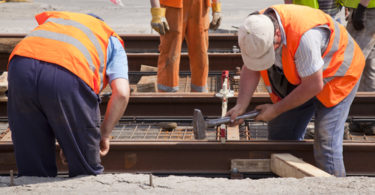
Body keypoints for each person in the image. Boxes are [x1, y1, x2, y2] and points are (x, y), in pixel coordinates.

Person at [226, 4, 365, 177]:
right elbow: (251, 67)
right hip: (303, 75)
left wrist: (276, 109)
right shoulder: (255, 28)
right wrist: (240, 105)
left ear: (277, 35)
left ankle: (335, 187)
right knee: (280, 136)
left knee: (326, 142)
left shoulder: (304, 37)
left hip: (339, 74)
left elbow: (314, 85)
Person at [7, 11, 130, 177]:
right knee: (86, 169)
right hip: (69, 71)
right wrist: (104, 133)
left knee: (33, 168)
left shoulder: (56, 22)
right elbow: (122, 93)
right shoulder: (109, 37)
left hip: (21, 68)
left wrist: (67, 137)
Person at [149, 0, 221, 92]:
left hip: (199, 5)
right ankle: (167, 96)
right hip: (173, 5)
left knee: (200, 54)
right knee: (170, 54)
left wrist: (217, 8)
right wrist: (156, 12)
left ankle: (199, 97)